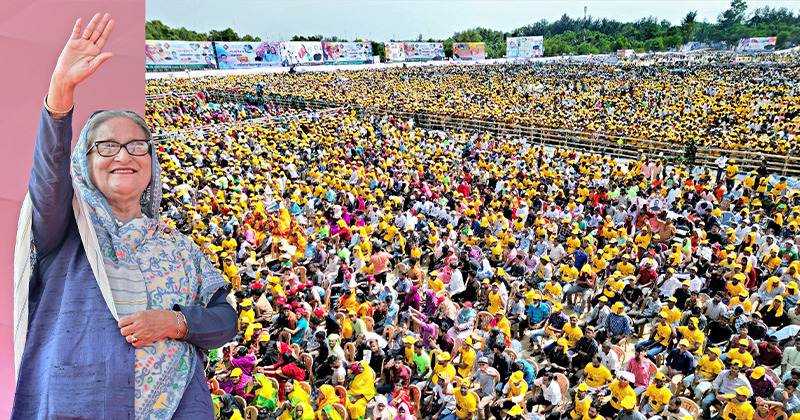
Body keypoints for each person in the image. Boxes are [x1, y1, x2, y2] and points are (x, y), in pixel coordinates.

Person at [12, 14, 238, 419]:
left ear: (151, 163)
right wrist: (61, 93)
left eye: (137, 146)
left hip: (181, 404)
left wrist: (175, 323)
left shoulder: (179, 246)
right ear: (83, 162)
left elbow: (225, 320)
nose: (123, 155)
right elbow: (48, 178)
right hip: (77, 400)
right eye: (107, 146)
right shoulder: (64, 234)